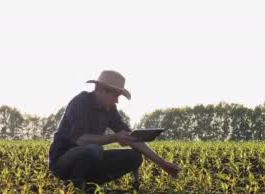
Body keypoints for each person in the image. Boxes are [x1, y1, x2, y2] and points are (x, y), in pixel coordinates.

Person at [48, 70, 180, 187]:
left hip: (89, 156)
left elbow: (132, 138)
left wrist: (163, 164)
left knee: (134, 157)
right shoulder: (80, 102)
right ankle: (75, 185)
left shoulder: (109, 109)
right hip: (62, 161)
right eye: (115, 95)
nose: (116, 101)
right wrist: (114, 137)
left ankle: (90, 185)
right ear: (100, 90)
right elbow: (81, 140)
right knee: (93, 149)